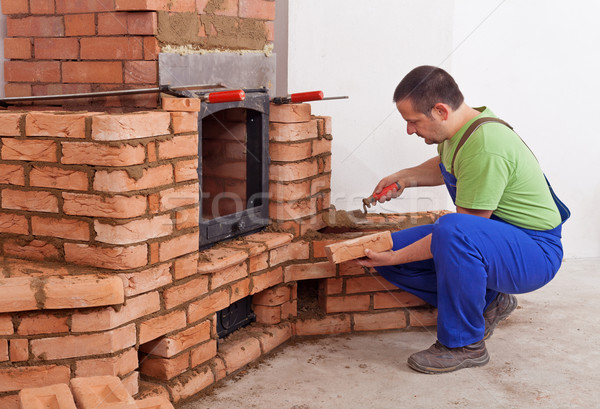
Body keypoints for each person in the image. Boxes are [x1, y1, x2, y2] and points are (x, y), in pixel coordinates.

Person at [356, 65, 570, 374]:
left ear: (440, 110)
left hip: (535, 252)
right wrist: (404, 177)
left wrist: (394, 257)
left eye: (413, 122)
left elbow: (461, 234)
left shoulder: (486, 146)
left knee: (447, 232)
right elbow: (449, 164)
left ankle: (464, 344)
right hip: (501, 239)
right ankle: (490, 301)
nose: (410, 130)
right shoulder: (459, 131)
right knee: (385, 251)